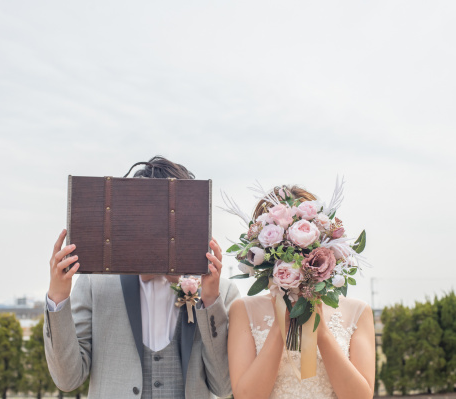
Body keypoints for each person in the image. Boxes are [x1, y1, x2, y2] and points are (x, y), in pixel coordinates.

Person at [43, 156, 240, 399]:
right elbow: (67, 378)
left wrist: (209, 302)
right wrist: (58, 297)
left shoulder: (223, 293)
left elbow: (223, 387)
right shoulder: (95, 283)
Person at [227, 186, 375, 399]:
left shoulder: (357, 312)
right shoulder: (244, 310)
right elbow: (247, 396)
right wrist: (280, 326)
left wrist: (321, 331)